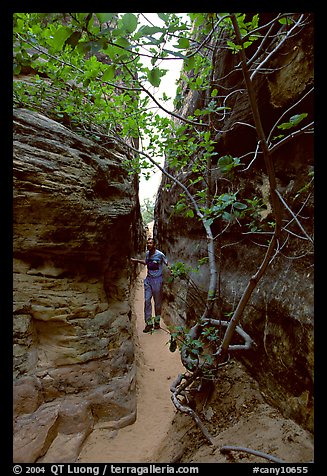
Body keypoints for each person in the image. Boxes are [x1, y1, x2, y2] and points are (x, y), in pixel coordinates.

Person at [131, 237, 170, 333]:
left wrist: (173, 270)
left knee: (157, 303)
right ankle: (148, 323)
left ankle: (157, 321)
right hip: (148, 280)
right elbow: (146, 262)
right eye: (148, 243)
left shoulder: (160, 255)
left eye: (151, 243)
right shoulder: (148, 254)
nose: (149, 245)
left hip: (157, 281)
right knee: (147, 301)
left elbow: (167, 263)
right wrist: (136, 260)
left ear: (154, 245)